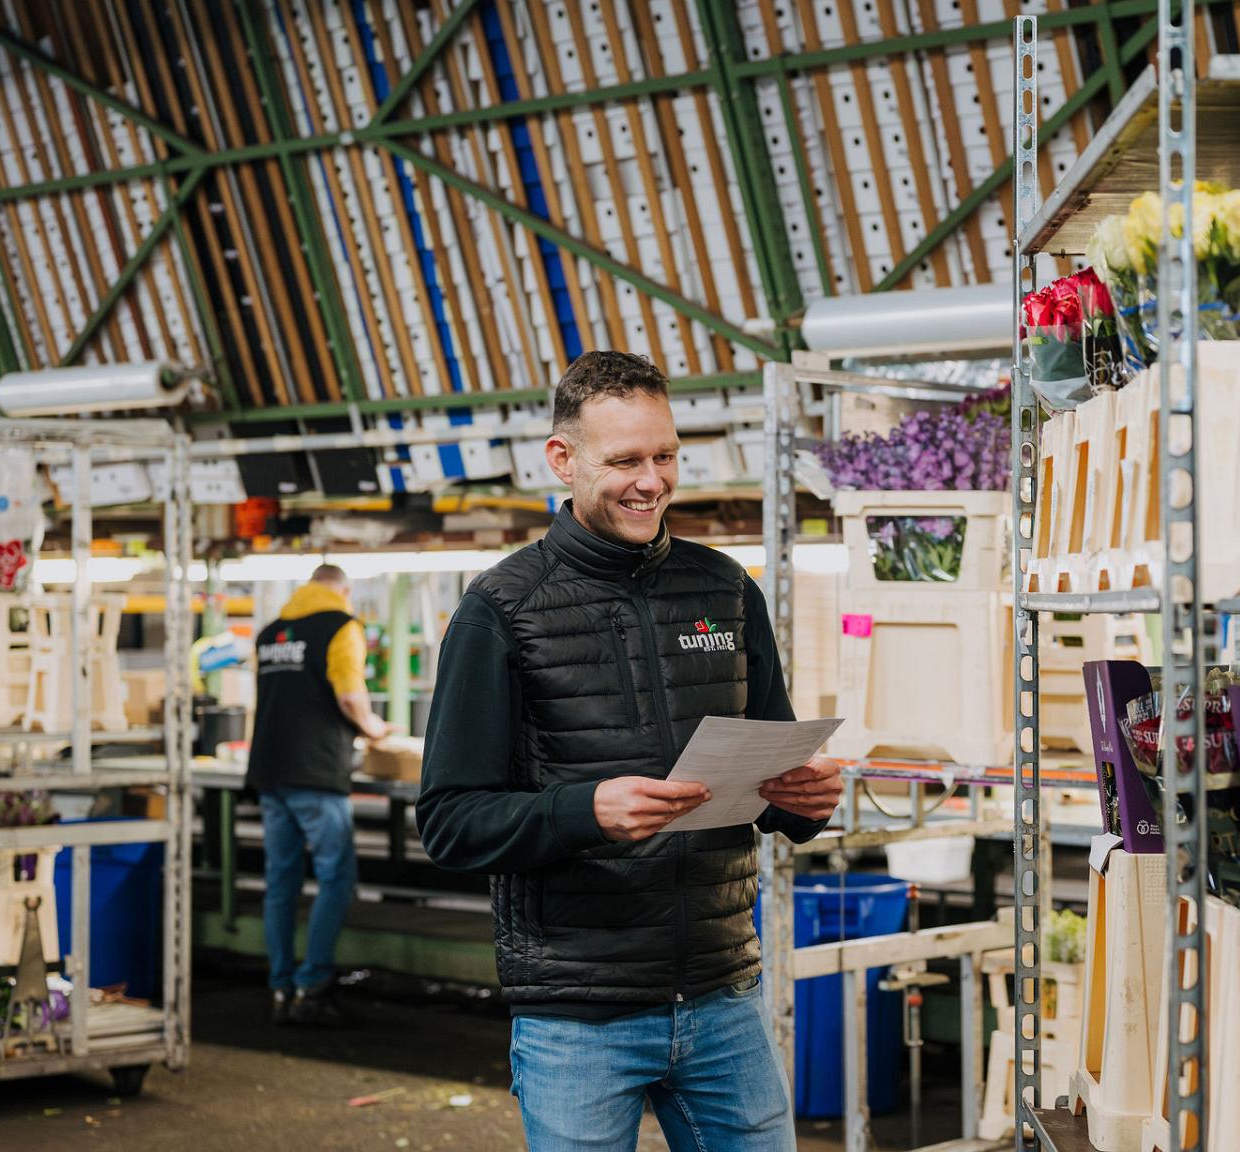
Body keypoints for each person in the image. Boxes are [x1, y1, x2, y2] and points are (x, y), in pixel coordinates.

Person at [416, 351, 842, 1152]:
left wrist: (804, 803)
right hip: (578, 1016)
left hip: (724, 997)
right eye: (625, 461)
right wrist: (587, 811)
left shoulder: (725, 589)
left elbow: (771, 769)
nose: (652, 481)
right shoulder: (502, 609)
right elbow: (449, 821)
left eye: (665, 455)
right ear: (562, 459)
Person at [246, 562, 388, 1028]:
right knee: (336, 877)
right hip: (316, 773)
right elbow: (349, 694)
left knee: (281, 881)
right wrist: (373, 728)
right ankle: (314, 981)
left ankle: (281, 984)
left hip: (270, 769)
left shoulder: (270, 632)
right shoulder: (341, 626)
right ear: (343, 591)